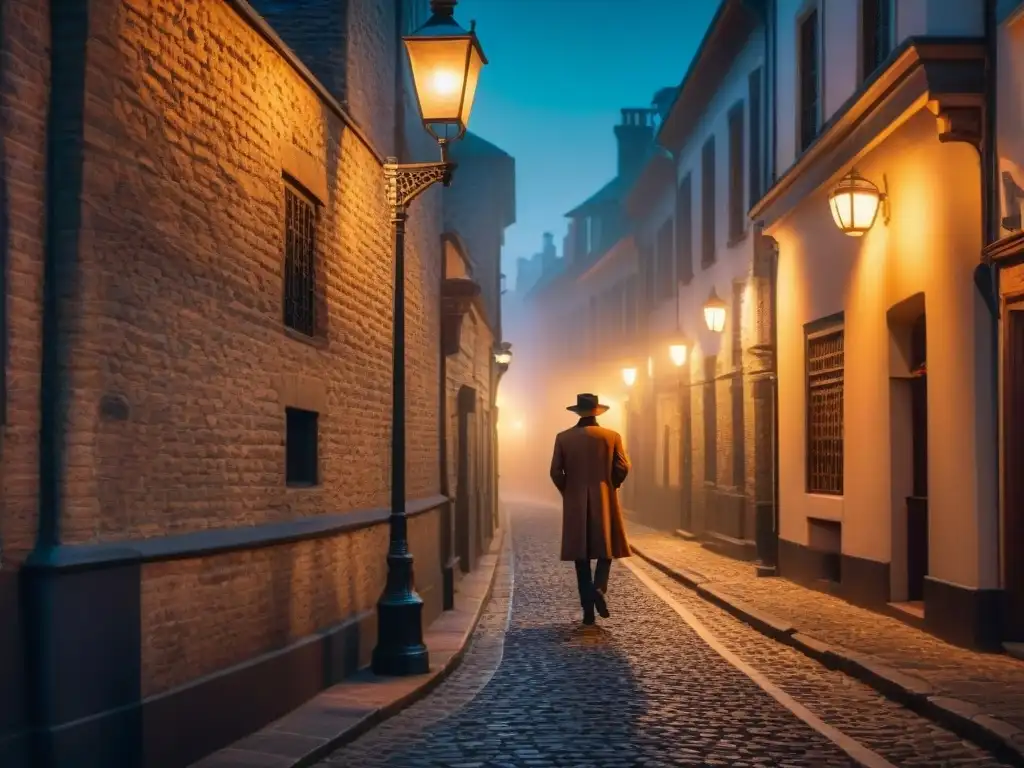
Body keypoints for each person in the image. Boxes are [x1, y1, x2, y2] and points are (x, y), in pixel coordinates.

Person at [549, 393, 632, 625]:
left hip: (575, 499)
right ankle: (599, 589)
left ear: (578, 412)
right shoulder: (611, 436)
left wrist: (569, 490)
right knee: (606, 550)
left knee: (581, 557)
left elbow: (555, 471)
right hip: (605, 497)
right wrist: (611, 483)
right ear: (597, 411)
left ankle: (588, 611)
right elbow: (623, 467)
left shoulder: (563, 438)